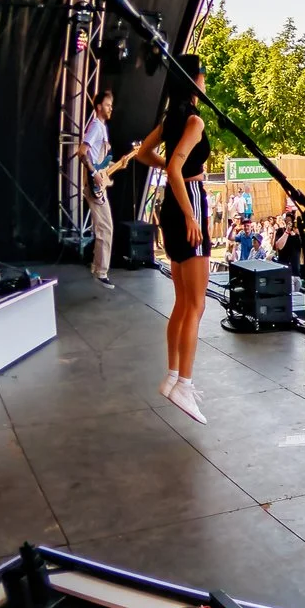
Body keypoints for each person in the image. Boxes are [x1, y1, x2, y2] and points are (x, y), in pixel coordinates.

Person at [129, 56, 211, 424]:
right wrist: (193, 214)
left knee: (181, 301)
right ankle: (184, 384)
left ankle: (174, 376)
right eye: (203, 77)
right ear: (195, 81)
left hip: (171, 208)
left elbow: (144, 154)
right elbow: (178, 168)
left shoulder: (170, 121)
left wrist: (171, 167)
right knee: (196, 305)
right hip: (187, 205)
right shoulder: (194, 120)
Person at [82, 88, 116, 286]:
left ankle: (97, 268)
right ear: (98, 106)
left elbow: (98, 159)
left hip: (97, 183)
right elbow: (83, 152)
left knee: (103, 227)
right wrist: (95, 174)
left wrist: (113, 165)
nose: (111, 108)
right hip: (94, 185)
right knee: (105, 227)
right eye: (108, 105)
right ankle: (101, 272)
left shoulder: (102, 128)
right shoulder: (95, 126)